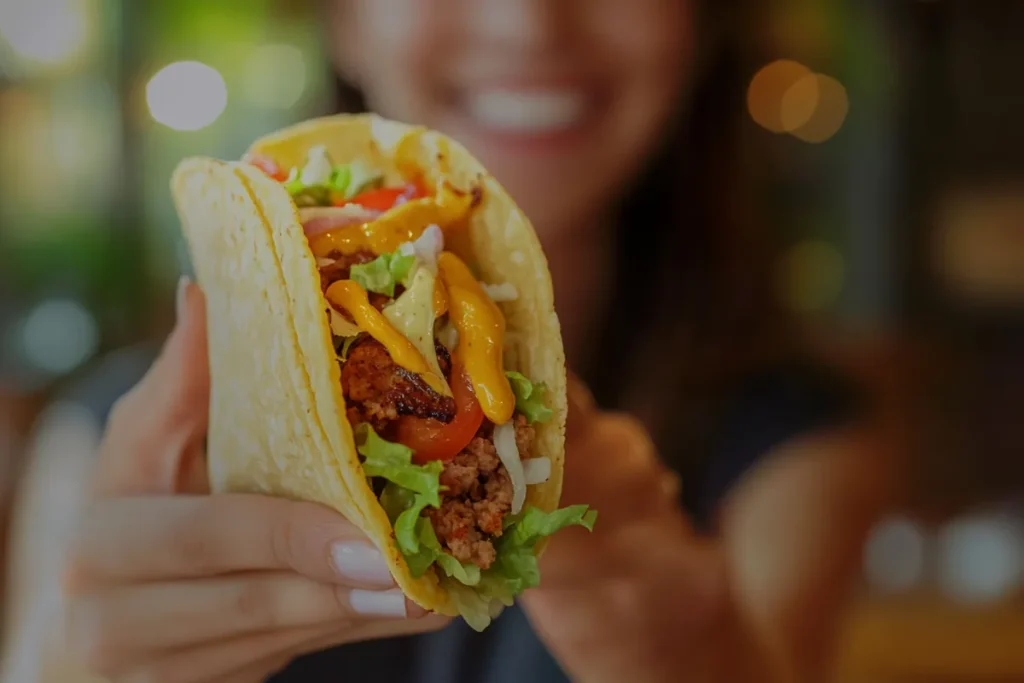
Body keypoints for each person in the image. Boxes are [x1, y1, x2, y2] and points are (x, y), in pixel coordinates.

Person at [2, 1, 896, 682]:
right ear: (341, 20)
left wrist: (698, 648)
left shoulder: (797, 444)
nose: (526, 22)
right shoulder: (110, 443)